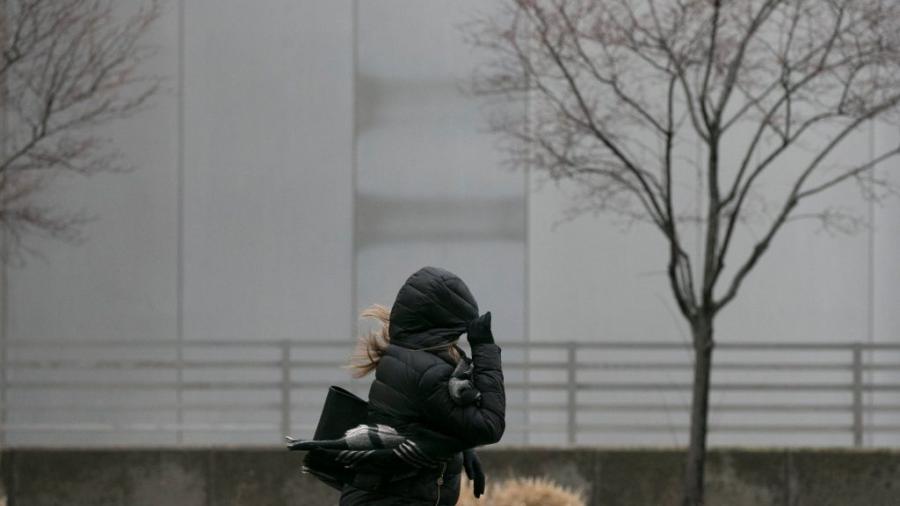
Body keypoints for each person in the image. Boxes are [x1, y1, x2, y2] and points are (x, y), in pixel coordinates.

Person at [338, 266, 506, 505]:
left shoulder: (405, 358)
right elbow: (490, 426)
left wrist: (462, 447)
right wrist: (484, 348)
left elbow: (426, 422)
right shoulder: (428, 372)